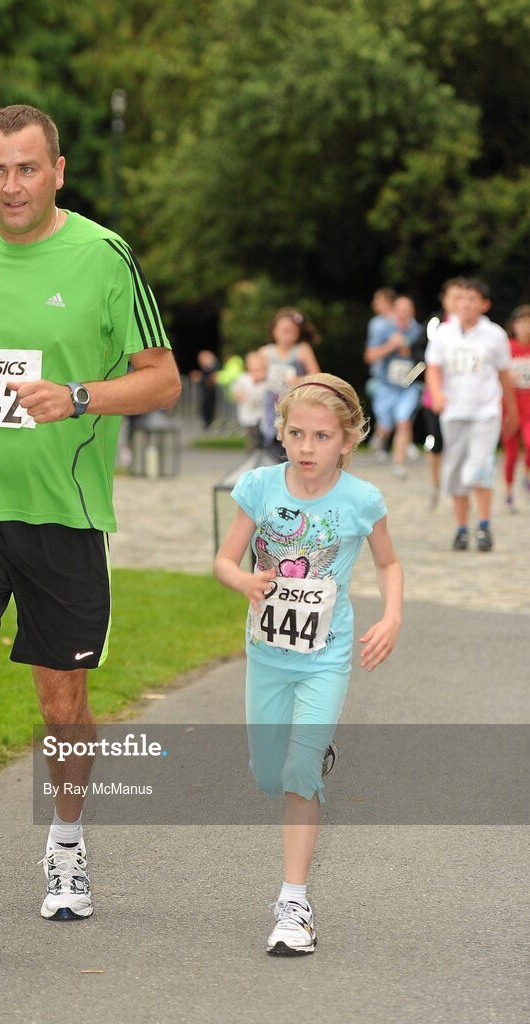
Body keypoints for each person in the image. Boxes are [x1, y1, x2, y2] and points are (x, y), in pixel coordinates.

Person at [0, 104, 180, 948]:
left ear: (58, 170)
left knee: (63, 706)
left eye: (27, 168)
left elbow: (162, 379)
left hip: (63, 511)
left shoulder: (102, 256)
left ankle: (65, 840)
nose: (10, 185)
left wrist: (80, 396)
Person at [214, 372, 403, 955]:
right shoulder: (260, 487)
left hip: (327, 655)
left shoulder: (361, 499)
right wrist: (245, 578)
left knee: (298, 775)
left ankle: (293, 902)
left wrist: (391, 616)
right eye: (296, 433)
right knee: (268, 773)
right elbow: (223, 560)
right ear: (281, 433)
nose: (307, 448)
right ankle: (306, 756)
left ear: (347, 440)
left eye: (322, 437)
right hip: (267, 653)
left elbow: (389, 565)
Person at [425, 279, 518, 552]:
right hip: (454, 411)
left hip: (485, 410)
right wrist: (437, 394)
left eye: (472, 299)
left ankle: (484, 526)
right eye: (462, 299)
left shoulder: (495, 334)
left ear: (484, 304)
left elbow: (504, 374)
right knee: (455, 468)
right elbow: (432, 368)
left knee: (479, 466)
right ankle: (461, 527)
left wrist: (511, 409)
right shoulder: (443, 332)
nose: (466, 304)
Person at [412, 279, 462, 508]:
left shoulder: (471, 327)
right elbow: (417, 349)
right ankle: (435, 484)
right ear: (444, 298)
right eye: (453, 296)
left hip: (461, 397)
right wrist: (431, 365)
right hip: (434, 394)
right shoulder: (435, 323)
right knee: (436, 442)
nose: (458, 302)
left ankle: (457, 487)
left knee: (459, 444)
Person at [363, 294, 423, 479]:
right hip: (385, 386)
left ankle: (399, 463)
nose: (404, 314)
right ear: (394, 311)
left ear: (412, 312)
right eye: (400, 310)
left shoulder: (418, 331)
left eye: (407, 310)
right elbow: (369, 356)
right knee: (386, 425)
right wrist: (391, 345)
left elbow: (424, 359)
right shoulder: (382, 328)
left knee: (404, 422)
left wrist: (411, 353)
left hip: (408, 386)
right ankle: (381, 438)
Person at [259, 308, 321, 458]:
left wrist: (299, 380)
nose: (286, 334)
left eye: (291, 331)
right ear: (274, 330)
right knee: (271, 440)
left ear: (298, 333)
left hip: (295, 403)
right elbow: (257, 375)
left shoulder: (302, 350)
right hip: (271, 405)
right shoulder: (265, 352)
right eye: (283, 330)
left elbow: (317, 375)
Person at [502, 305, 530, 511]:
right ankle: (509, 493)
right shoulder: (506, 347)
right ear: (514, 326)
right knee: (511, 455)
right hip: (509, 408)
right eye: (522, 323)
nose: (526, 327)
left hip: (529, 409)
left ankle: (526, 474)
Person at [232, 350, 269, 450]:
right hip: (248, 416)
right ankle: (253, 457)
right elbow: (236, 393)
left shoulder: (267, 380)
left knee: (265, 440)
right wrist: (240, 395)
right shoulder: (243, 379)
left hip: (263, 416)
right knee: (253, 439)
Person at [189, 349, 223, 429]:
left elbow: (210, 379)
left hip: (212, 394)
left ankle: (211, 424)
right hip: (206, 394)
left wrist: (200, 377)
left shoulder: (214, 368)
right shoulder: (207, 369)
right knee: (205, 409)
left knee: (210, 409)